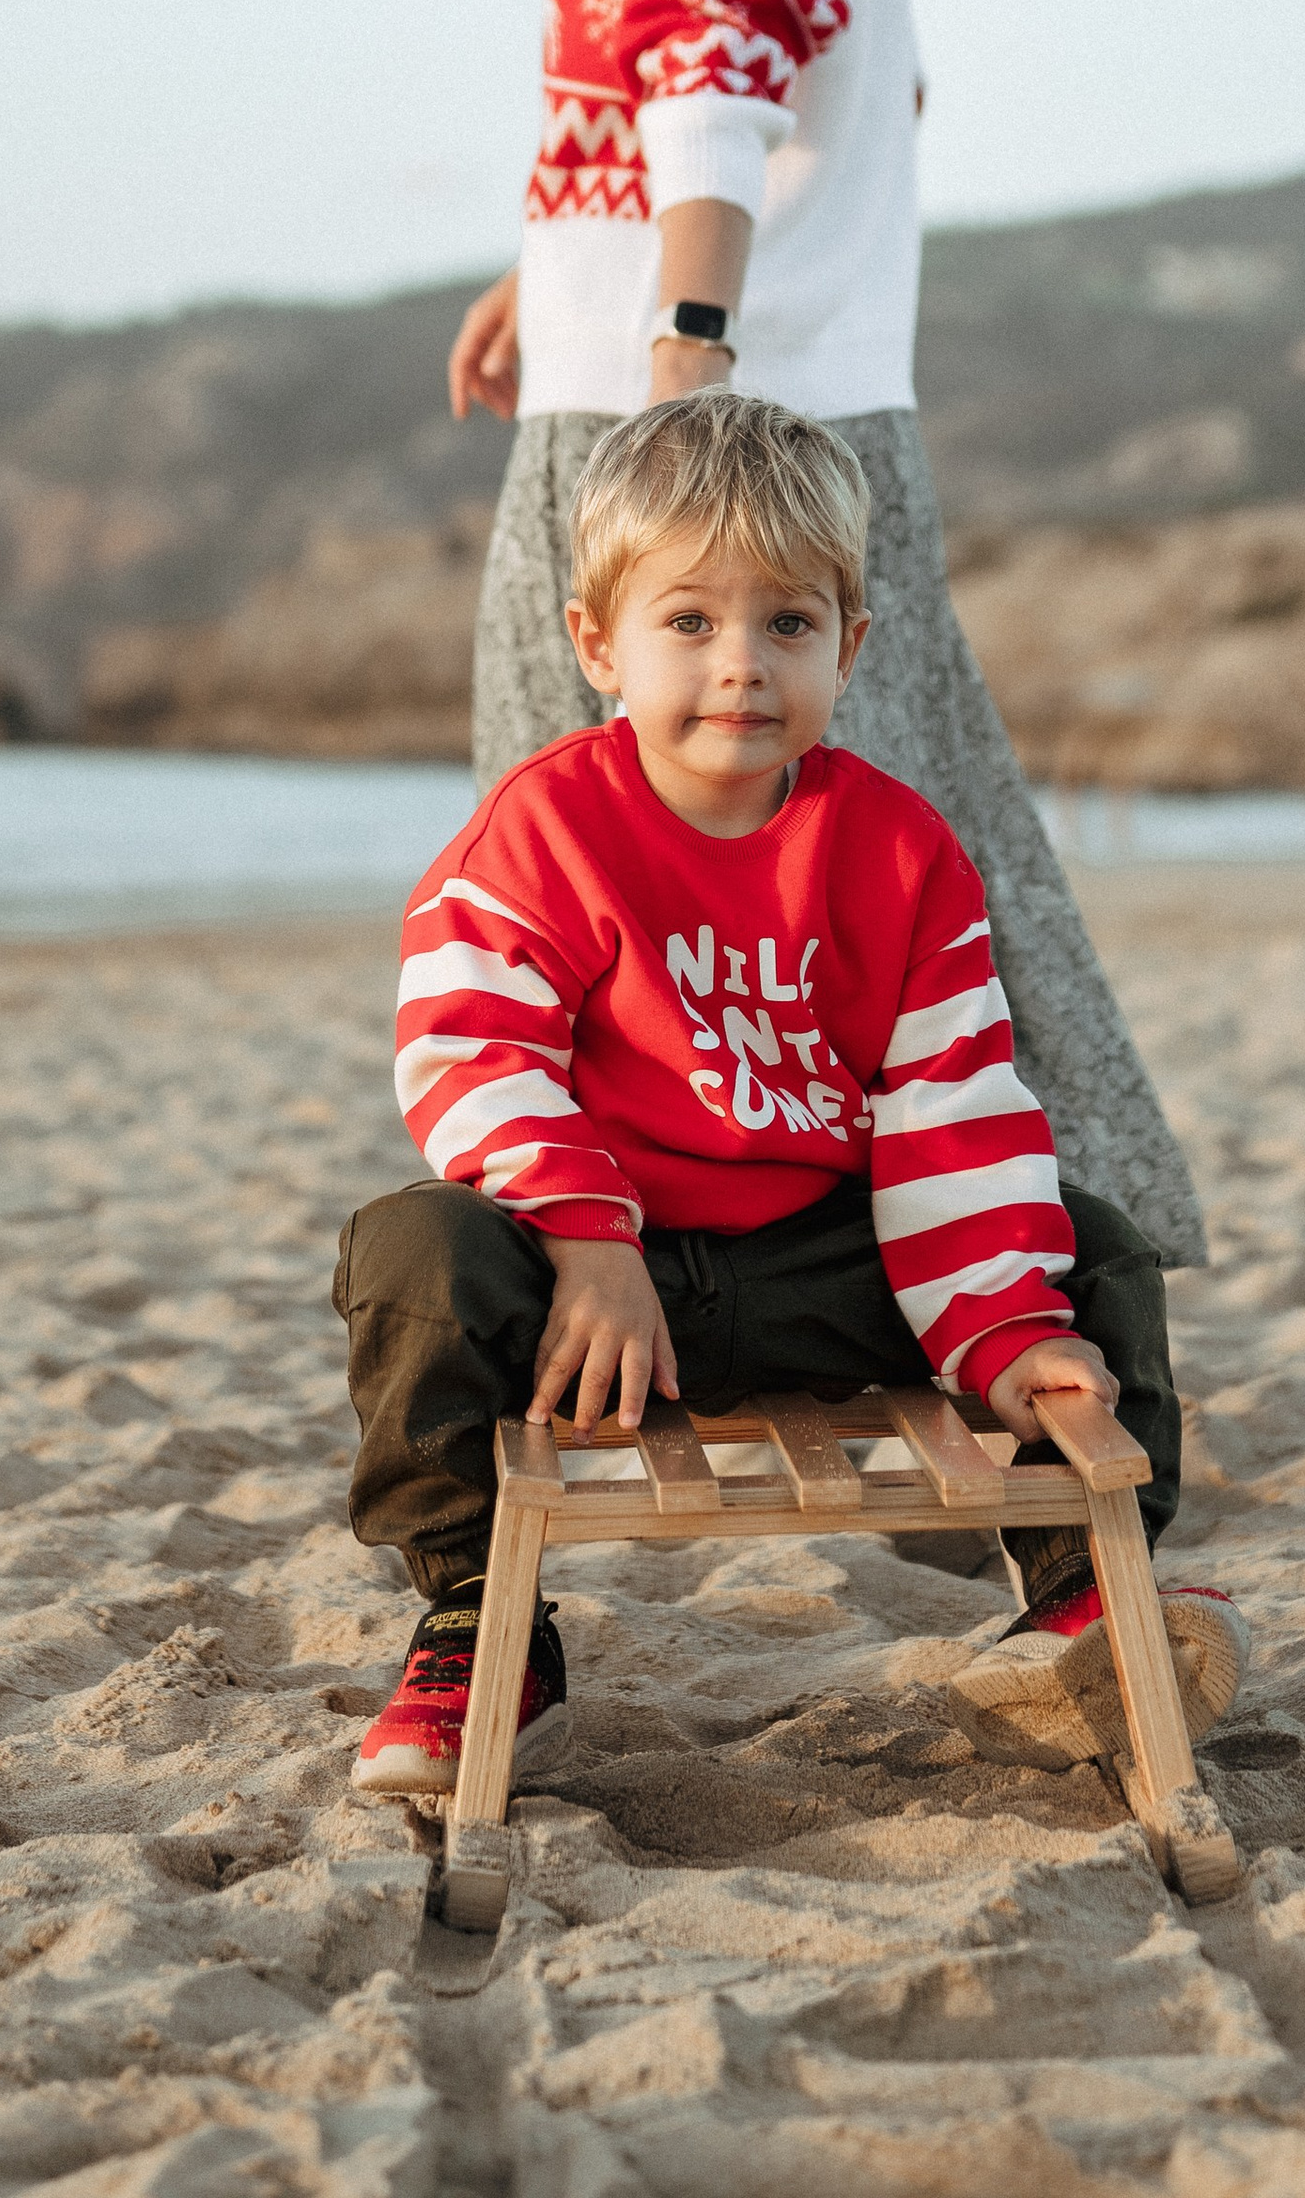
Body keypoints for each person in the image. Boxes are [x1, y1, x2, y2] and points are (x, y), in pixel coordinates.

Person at [446, 0, 1203, 1266]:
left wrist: (679, 336)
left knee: (600, 889)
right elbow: (875, 88)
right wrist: (554, 268)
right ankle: (1062, 1265)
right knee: (913, 870)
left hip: (684, 436)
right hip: (823, 407)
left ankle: (682, 1282)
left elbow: (714, 84)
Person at [333, 396, 1242, 1797]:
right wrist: (588, 1239)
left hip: (831, 1265)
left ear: (852, 644)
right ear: (596, 644)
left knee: (1095, 1241)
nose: (741, 667)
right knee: (410, 1256)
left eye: (789, 625)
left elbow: (952, 1105)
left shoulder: (894, 849)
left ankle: (1079, 1596)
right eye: (687, 623)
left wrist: (1003, 1332)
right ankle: (475, 1631)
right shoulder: (550, 827)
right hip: (607, 1296)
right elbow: (470, 1048)